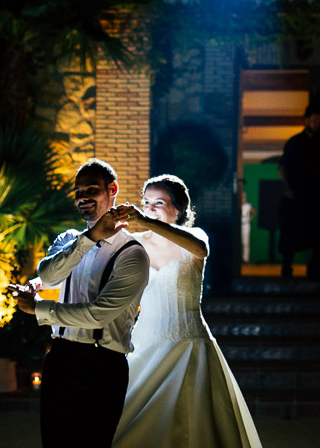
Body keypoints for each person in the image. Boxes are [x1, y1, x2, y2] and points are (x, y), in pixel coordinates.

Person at [112, 175, 262, 448]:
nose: (150, 207)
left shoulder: (195, 236)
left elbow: (200, 250)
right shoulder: (132, 242)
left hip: (188, 341)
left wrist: (147, 222)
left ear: (177, 209)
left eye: (159, 202)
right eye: (146, 202)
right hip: (143, 340)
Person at [12, 158, 149, 448]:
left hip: (101, 366)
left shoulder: (132, 255)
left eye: (91, 189)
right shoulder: (69, 239)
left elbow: (98, 315)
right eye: (78, 192)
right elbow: (47, 275)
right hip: (60, 359)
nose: (82, 197)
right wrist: (89, 238)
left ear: (112, 189)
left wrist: (39, 309)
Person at [278, 105, 320, 280]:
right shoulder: (295, 142)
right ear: (306, 121)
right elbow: (282, 166)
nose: (315, 123)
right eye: (312, 120)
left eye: (318, 120)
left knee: (318, 231)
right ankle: (287, 267)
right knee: (292, 230)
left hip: (315, 194)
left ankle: (315, 269)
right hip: (297, 193)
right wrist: (288, 187)